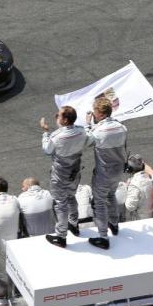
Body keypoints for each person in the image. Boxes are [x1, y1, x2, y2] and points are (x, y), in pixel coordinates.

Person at [41, 106, 87, 248]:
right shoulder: (81, 131)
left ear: (65, 120)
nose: (56, 116)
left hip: (60, 175)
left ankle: (61, 236)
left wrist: (45, 132)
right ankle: (74, 224)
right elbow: (89, 139)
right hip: (74, 171)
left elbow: (47, 150)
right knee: (71, 196)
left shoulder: (56, 136)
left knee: (61, 203)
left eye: (58, 115)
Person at [85, 98, 128, 249]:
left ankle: (103, 237)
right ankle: (114, 224)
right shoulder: (122, 127)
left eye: (94, 111)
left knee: (100, 202)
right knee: (111, 195)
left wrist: (87, 124)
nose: (93, 113)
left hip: (104, 172)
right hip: (118, 170)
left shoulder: (97, 131)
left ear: (100, 113)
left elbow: (87, 141)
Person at [124, 154, 153, 221]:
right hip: (151, 216)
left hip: (139, 220)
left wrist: (127, 190)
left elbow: (130, 206)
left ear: (129, 169)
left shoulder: (134, 185)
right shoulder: (149, 178)